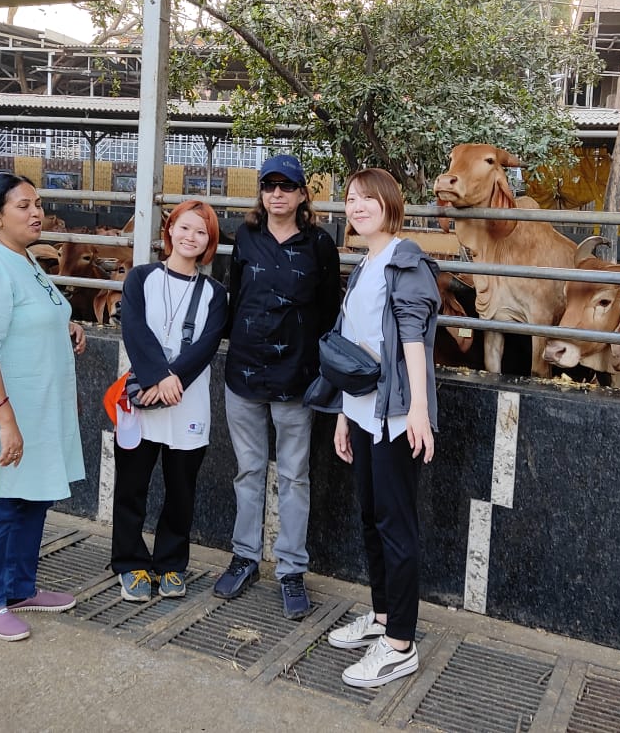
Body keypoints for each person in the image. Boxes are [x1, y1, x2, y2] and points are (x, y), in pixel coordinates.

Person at [0, 173, 87, 642]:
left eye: (39, 204)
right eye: (23, 205)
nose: (36, 212)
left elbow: (35, 312)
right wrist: (5, 421)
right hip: (2, 408)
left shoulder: (23, 258)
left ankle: (21, 588)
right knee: (1, 504)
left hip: (38, 405)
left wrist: (66, 327)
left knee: (34, 498)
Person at [324, 168, 440, 688]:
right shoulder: (365, 264)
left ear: (390, 203)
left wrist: (418, 410)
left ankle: (401, 646)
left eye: (367, 198)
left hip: (396, 417)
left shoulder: (405, 260)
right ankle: (382, 617)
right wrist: (345, 415)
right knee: (372, 517)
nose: (357, 206)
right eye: (350, 198)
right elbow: (354, 350)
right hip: (365, 414)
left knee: (397, 527)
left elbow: (413, 340)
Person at [213, 154, 341, 619]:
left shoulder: (321, 245)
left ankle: (290, 570)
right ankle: (245, 558)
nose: (277, 194)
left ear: (303, 194)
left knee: (293, 476)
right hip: (244, 373)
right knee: (248, 471)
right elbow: (230, 296)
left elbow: (329, 312)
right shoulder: (245, 237)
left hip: (297, 378)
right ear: (261, 193)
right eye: (269, 186)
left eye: (287, 186)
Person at [111, 200, 227, 602]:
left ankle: (171, 563)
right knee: (131, 486)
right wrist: (161, 376)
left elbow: (208, 343)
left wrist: (175, 378)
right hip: (143, 396)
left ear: (209, 242)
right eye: (185, 227)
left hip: (189, 401)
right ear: (170, 229)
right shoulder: (140, 277)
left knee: (182, 489)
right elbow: (135, 330)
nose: (191, 237)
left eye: (201, 232)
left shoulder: (215, 293)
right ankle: (129, 562)